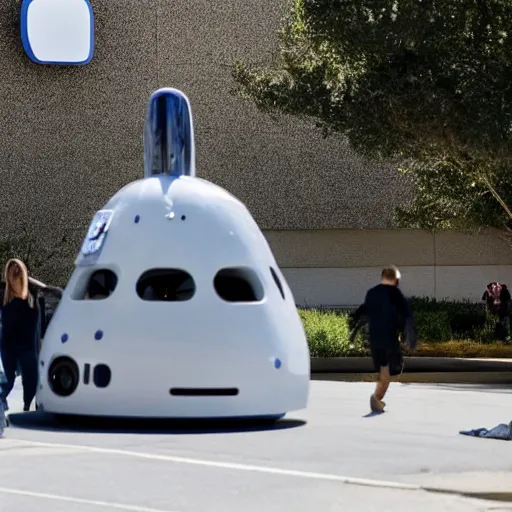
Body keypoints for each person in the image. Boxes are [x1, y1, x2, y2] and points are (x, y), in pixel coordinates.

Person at [351, 266, 416, 413]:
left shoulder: (372, 293)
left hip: (375, 339)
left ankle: (377, 398)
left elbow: (363, 311)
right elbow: (406, 316)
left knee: (384, 370)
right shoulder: (396, 295)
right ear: (394, 280)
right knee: (392, 370)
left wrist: (354, 328)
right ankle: (376, 398)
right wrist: (408, 336)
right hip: (389, 340)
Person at [0, 259, 40, 412]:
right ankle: (3, 406)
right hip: (8, 344)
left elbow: (54, 292)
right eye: (12, 271)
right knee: (7, 381)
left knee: (31, 379)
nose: (15, 273)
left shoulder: (33, 296)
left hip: (27, 345)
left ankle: (26, 406)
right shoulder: (3, 295)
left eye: (18, 270)